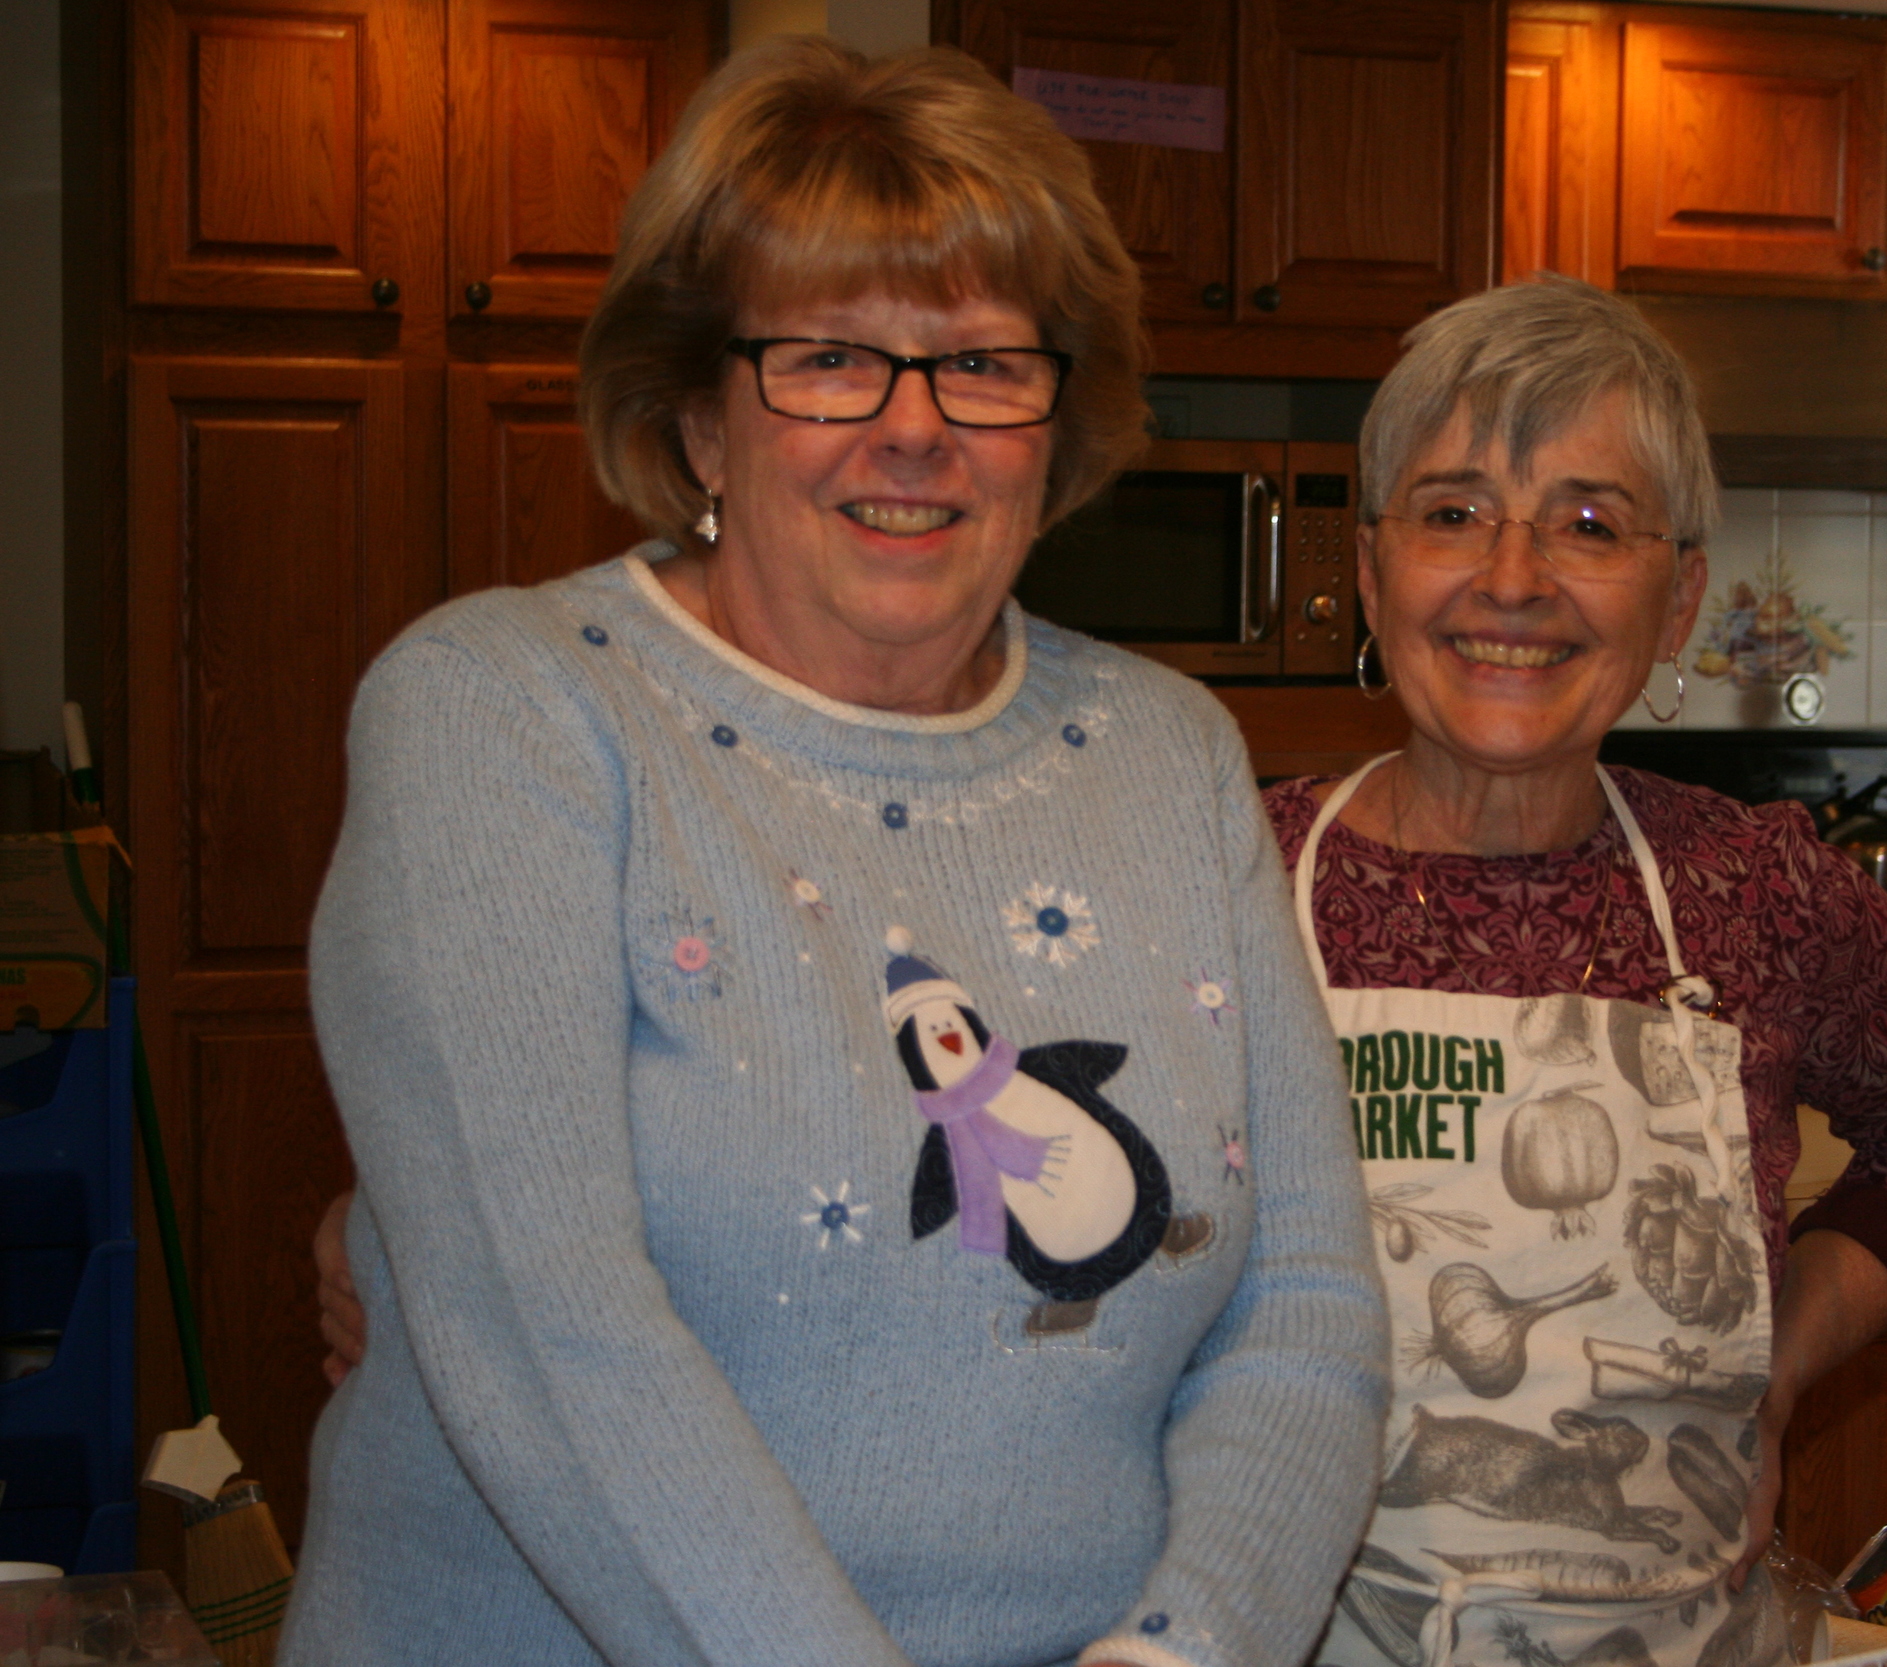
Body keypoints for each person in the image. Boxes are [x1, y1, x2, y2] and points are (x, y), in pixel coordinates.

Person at [281, 37, 1386, 1667]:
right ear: (698, 418)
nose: (914, 429)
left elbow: (1304, 1304)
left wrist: (1178, 1653)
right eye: (828, 359)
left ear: (1058, 422)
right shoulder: (504, 715)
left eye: (985, 364)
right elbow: (547, 1330)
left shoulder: (1169, 752)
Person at [1274, 277, 1887, 1667]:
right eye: (1453, 511)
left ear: (1679, 594)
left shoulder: (1753, 889)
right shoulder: (1225, 878)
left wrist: (1780, 1361)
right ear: (1374, 561)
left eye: (1590, 523)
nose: (1512, 579)